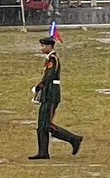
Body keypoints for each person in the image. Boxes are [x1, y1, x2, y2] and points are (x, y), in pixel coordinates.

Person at [31, 27, 82, 159]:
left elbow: (49, 76)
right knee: (42, 124)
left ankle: (73, 139)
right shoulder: (49, 59)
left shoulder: (52, 59)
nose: (41, 48)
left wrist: (38, 87)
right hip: (47, 94)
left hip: (51, 94)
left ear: (49, 46)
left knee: (46, 124)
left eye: (43, 46)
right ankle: (43, 152)